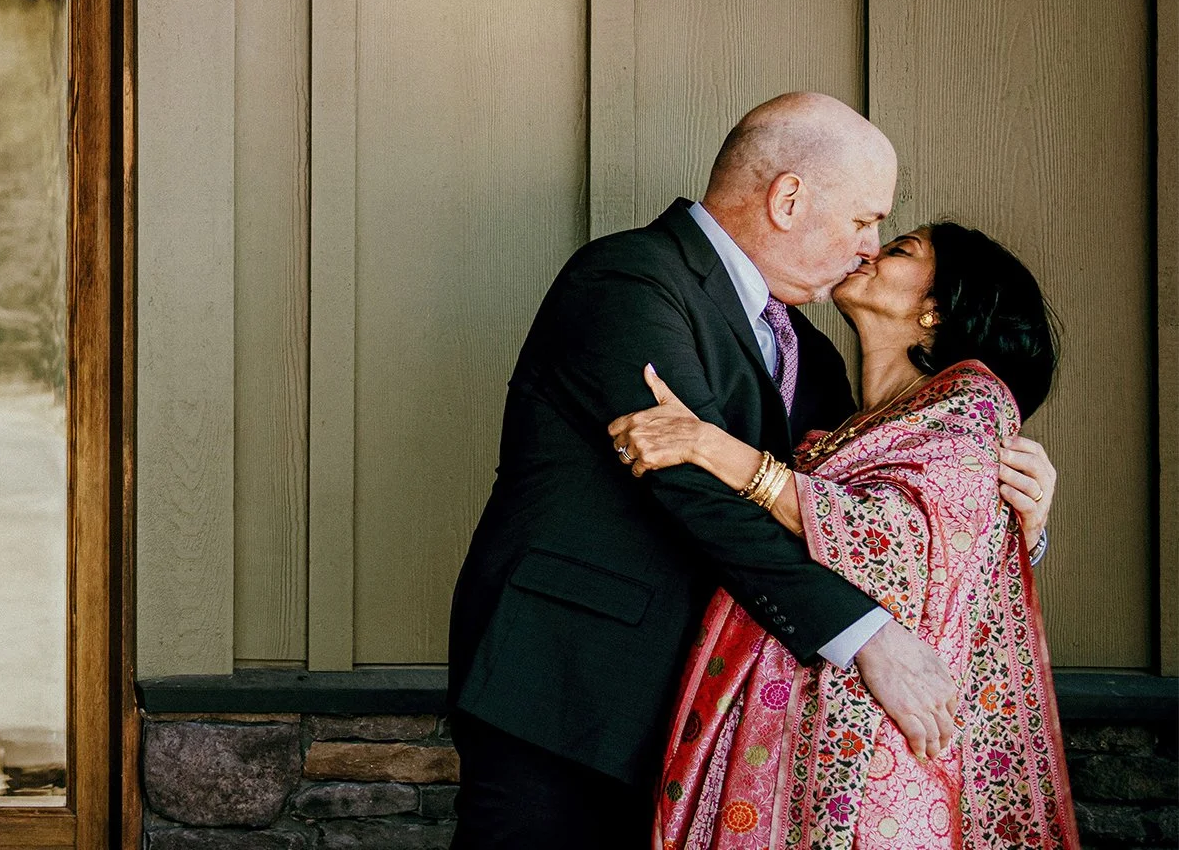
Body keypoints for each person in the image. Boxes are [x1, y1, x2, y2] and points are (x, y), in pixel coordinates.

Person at [444, 93, 1059, 848]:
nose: (869, 245)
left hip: (701, 723)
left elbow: (850, 515)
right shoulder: (630, 280)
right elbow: (694, 494)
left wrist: (1010, 522)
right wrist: (866, 638)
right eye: (865, 219)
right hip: (565, 694)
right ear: (789, 198)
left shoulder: (812, 352)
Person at [613, 222, 1074, 846]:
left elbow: (891, 542)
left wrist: (708, 445)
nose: (869, 249)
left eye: (900, 249)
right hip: (793, 718)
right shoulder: (843, 403)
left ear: (937, 308)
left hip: (868, 743)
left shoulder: (972, 402)